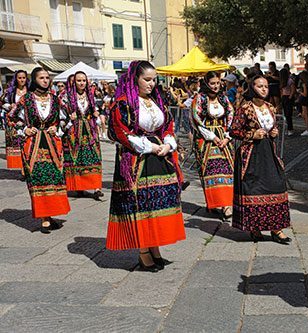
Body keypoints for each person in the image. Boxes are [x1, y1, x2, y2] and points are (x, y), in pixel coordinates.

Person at [106, 60, 185, 272]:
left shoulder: (158, 100)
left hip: (160, 157)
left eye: (154, 80)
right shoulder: (123, 103)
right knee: (141, 205)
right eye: (147, 80)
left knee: (158, 204)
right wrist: (149, 147)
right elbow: (121, 132)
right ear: (135, 79)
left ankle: (155, 246)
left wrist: (169, 143)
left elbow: (167, 125)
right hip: (136, 160)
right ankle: (143, 251)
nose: (152, 84)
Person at [230, 75, 291, 244]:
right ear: (252, 88)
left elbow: (273, 126)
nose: (264, 89)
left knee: (276, 184)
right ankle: (255, 228)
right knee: (254, 188)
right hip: (251, 154)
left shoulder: (271, 107)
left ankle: (276, 228)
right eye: (259, 86)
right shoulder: (245, 108)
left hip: (269, 153)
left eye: (265, 86)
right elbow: (233, 131)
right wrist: (251, 135)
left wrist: (274, 133)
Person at [12, 67, 71, 233]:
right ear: (34, 80)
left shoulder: (56, 99)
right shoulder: (26, 99)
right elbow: (12, 117)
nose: (45, 80)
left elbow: (67, 118)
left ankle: (50, 214)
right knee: (38, 178)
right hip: (33, 145)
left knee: (54, 178)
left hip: (52, 144)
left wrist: (57, 128)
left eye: (47, 77)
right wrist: (24, 130)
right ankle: (44, 218)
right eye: (41, 78)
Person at [191, 71, 235, 219]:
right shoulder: (200, 99)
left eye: (218, 83)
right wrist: (213, 137)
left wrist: (228, 136)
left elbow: (231, 115)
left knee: (227, 170)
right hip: (207, 139)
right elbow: (196, 119)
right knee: (211, 171)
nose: (216, 86)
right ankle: (216, 204)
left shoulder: (223, 98)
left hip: (223, 137)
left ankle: (227, 204)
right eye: (212, 84)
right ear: (206, 83)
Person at [63, 71, 103, 199]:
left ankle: (97, 187)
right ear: (74, 82)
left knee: (94, 157)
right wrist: (69, 118)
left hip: (90, 131)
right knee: (77, 158)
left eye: (84, 80)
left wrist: (96, 114)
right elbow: (61, 117)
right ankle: (79, 186)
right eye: (79, 80)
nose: (81, 83)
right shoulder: (67, 97)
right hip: (75, 132)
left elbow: (94, 110)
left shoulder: (90, 96)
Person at [2, 70, 29, 169]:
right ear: (16, 79)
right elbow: (2, 103)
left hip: (27, 120)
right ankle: (21, 167)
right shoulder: (11, 91)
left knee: (27, 144)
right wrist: (9, 106)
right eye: (20, 78)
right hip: (14, 121)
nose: (22, 80)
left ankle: (27, 167)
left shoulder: (30, 90)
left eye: (23, 78)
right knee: (18, 144)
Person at [280, 68, 296, 136]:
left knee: (288, 114)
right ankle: (288, 128)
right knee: (285, 114)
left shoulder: (290, 80)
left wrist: (290, 97)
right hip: (284, 97)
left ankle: (290, 129)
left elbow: (293, 89)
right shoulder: (282, 81)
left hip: (288, 97)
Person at [298, 70, 308, 136]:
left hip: (305, 100)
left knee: (306, 115)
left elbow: (305, 94)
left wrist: (299, 92)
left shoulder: (304, 84)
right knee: (305, 115)